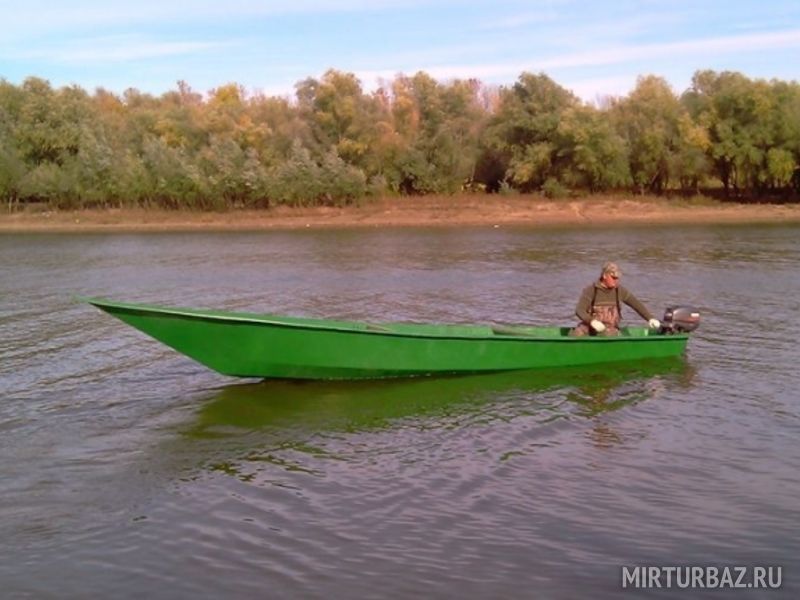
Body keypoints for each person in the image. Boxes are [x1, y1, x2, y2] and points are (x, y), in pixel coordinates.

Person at [571, 262, 661, 336]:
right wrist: (592, 321)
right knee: (577, 333)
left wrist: (650, 318)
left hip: (610, 328)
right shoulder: (591, 290)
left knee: (606, 334)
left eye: (617, 278)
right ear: (604, 276)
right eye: (613, 278)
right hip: (590, 326)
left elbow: (636, 305)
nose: (616, 281)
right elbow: (579, 310)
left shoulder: (620, 291)